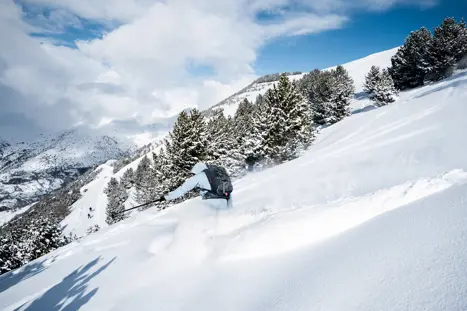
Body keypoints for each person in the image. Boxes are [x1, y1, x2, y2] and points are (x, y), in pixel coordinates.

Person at [162, 162, 233, 209]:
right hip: (227, 198)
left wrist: (166, 197)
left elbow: (182, 190)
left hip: (212, 201)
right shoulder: (215, 172)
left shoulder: (198, 177)